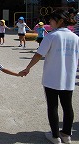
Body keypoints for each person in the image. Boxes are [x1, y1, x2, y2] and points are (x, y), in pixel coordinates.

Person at [19, 9, 78, 144]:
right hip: (68, 78)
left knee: (53, 106)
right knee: (67, 106)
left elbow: (39, 54)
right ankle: (66, 135)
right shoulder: (75, 37)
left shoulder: (52, 36)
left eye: (51, 19)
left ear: (60, 21)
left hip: (52, 77)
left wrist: (27, 68)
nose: (49, 22)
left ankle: (55, 136)